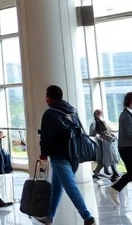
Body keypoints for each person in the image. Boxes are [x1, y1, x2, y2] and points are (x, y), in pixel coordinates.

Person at [36, 85, 95, 225]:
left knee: (70, 186)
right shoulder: (71, 110)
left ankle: (87, 217)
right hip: (73, 154)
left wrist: (43, 153)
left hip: (58, 155)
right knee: (56, 186)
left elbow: (46, 137)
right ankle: (49, 217)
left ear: (48, 97)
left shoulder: (50, 114)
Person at [90, 109, 119, 182]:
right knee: (108, 158)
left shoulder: (101, 122)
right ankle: (113, 172)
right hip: (103, 144)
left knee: (107, 158)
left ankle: (98, 172)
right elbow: (93, 133)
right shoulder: (96, 123)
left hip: (106, 143)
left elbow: (108, 130)